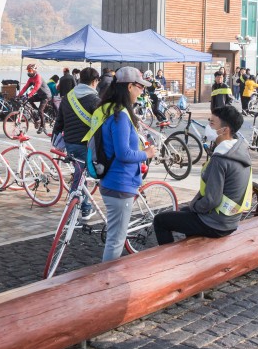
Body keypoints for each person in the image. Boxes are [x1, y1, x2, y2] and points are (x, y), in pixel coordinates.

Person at [85, 67, 157, 262]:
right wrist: (146, 153)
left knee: (115, 237)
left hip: (110, 181)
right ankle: (107, 283)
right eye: (140, 87)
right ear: (130, 86)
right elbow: (124, 153)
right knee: (116, 241)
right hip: (119, 183)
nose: (143, 91)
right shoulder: (120, 116)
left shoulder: (108, 109)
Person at [153, 106, 251, 245]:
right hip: (231, 219)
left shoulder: (221, 159)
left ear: (225, 130)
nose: (208, 127)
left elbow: (212, 200)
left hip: (217, 224)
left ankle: (170, 263)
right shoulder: (238, 150)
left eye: (212, 124)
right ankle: (191, 252)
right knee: (184, 212)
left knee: (160, 220)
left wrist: (195, 206)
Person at [53, 67, 101, 219]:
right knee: (82, 176)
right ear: (94, 81)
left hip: (70, 143)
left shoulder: (68, 97)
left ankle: (78, 206)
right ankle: (81, 208)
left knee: (80, 174)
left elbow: (59, 120)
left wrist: (55, 138)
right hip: (86, 145)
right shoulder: (95, 100)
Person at [19, 63, 52, 131]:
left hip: (46, 95)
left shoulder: (38, 77)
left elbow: (36, 88)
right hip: (40, 95)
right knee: (29, 100)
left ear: (34, 70)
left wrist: (29, 95)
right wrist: (19, 95)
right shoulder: (31, 78)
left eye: (30, 70)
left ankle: (43, 126)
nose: (28, 72)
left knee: (40, 110)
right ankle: (36, 114)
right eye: (28, 71)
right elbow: (25, 87)